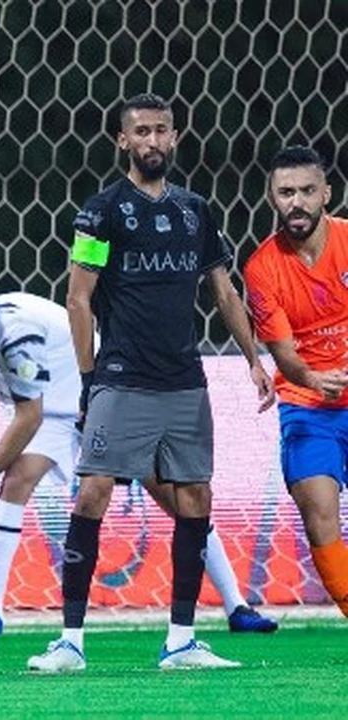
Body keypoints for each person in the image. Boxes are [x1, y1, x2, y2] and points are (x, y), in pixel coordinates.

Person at [27, 93, 275, 673]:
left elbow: (223, 290)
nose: (153, 140)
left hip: (184, 379)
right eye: (141, 131)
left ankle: (181, 640)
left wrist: (254, 359)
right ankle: (70, 642)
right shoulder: (101, 212)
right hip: (122, 377)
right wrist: (89, 378)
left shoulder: (195, 211)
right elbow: (78, 298)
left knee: (196, 499)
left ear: (175, 137)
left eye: (161, 130)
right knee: (93, 491)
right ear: (123, 140)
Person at [0, 265, 279, 638]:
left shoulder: (11, 328)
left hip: (102, 393)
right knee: (16, 481)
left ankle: (237, 606)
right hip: (50, 409)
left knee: (174, 497)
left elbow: (27, 416)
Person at [243, 145, 348, 619]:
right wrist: (312, 377)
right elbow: (283, 352)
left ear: (327, 193)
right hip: (308, 405)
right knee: (318, 511)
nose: (297, 202)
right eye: (286, 192)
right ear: (272, 196)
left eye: (307, 190)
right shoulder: (261, 268)